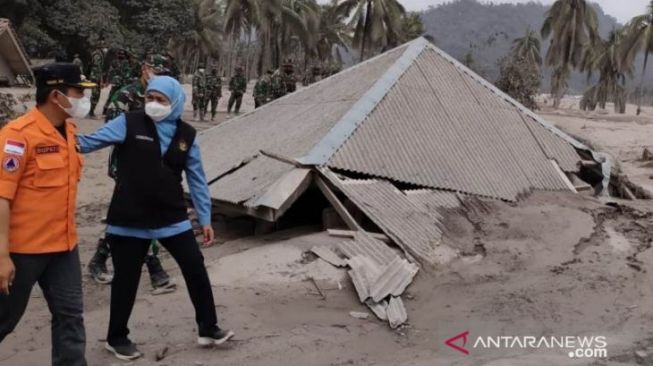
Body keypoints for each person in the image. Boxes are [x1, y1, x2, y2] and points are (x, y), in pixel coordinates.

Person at [76, 76, 234, 361]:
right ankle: (117, 337)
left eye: (161, 100)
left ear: (174, 102)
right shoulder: (129, 122)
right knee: (127, 279)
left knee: (195, 268)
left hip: (171, 215)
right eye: (150, 98)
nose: (154, 104)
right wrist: (52, 133)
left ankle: (208, 327)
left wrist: (205, 218)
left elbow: (197, 180)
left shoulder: (187, 135)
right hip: (129, 216)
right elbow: (87, 143)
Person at [0, 63, 95, 366]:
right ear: (56, 95)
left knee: (70, 316)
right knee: (4, 320)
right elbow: (1, 197)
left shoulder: (68, 131)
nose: (83, 97)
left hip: (63, 246)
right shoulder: (17, 136)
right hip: (22, 250)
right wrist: (1, 256)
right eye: (78, 91)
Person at [88, 54, 176, 294]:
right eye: (157, 72)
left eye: (165, 74)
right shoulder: (126, 96)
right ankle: (156, 270)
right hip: (126, 166)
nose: (161, 78)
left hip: (154, 165)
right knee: (143, 213)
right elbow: (114, 133)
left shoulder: (166, 99)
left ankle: (99, 258)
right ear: (145, 69)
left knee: (127, 214)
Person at [89, 45, 107, 118]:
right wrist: (100, 79)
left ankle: (91, 111)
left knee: (95, 94)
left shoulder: (98, 53)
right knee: (95, 95)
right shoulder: (97, 54)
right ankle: (91, 112)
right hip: (95, 77)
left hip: (96, 76)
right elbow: (97, 66)